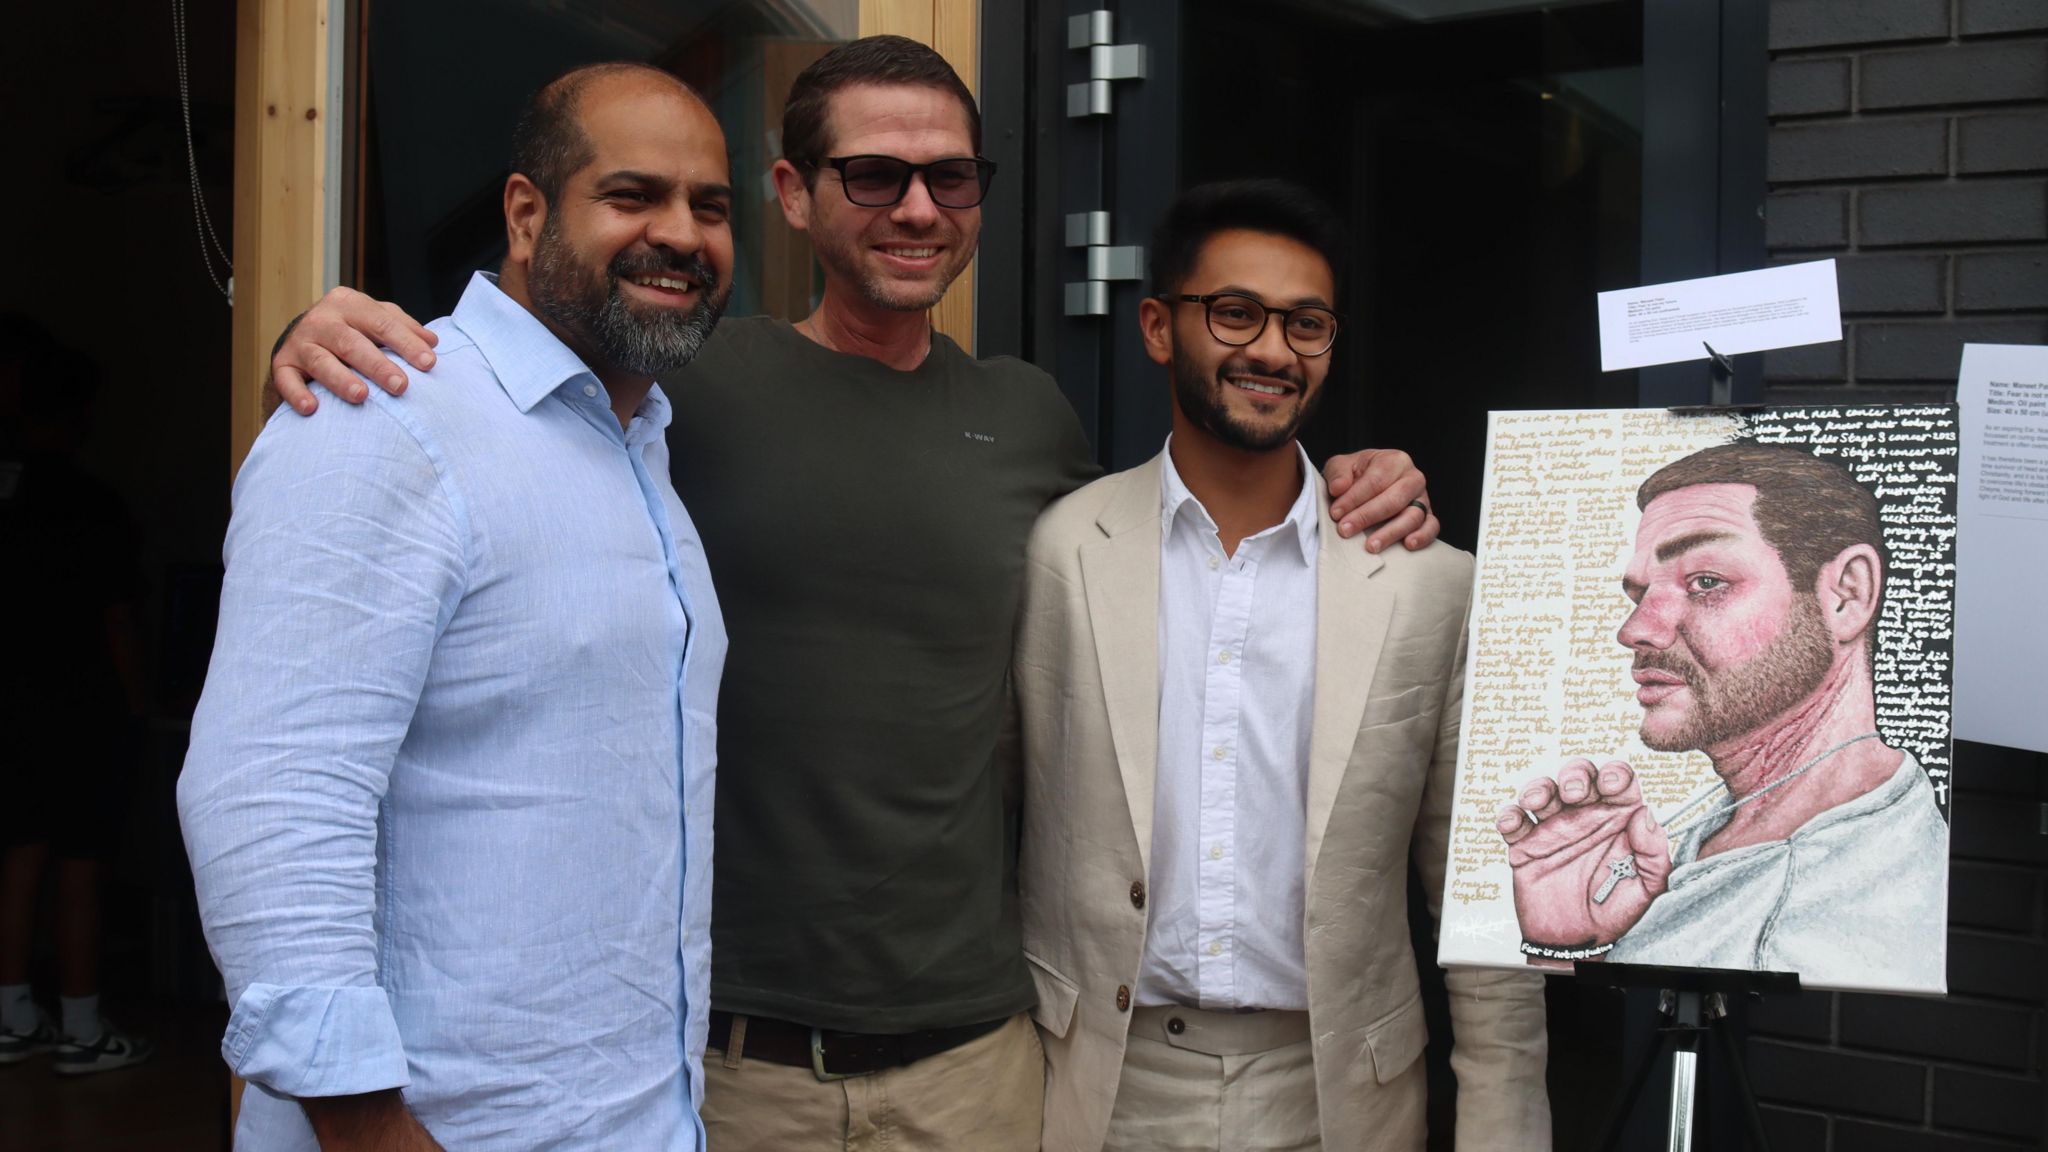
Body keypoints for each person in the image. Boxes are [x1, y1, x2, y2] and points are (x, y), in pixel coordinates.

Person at [267, 37, 1439, 1151]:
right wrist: (326, 331)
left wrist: (1351, 478)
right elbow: (512, 391)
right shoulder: (683, 383)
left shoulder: (1029, 419)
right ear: (790, 191)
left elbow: (1175, 555)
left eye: (949, 178)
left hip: (978, 1057)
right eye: (873, 175)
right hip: (732, 1060)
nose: (918, 209)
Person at [178, 64, 732, 1150]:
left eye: (708, 208)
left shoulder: (641, 449)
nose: (681, 233)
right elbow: (274, 793)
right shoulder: (381, 412)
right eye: (633, 196)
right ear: (525, 214)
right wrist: (365, 1124)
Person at [1013, 181, 1548, 1152]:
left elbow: (1481, 891)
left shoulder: (1423, 583)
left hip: (1339, 1096)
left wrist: (1501, 1123)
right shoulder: (1060, 552)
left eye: (1305, 323)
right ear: (1155, 327)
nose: (1270, 350)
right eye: (1233, 313)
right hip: (1100, 1089)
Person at [1497, 442, 1945, 989]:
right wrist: (1569, 944)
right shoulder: (1745, 821)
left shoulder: (1817, 917)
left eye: (1706, 582)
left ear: (1847, 596)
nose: (1636, 630)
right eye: (1639, 593)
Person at [0, 325, 153, 1074]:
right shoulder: (93, 504)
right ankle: (84, 1027)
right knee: (81, 863)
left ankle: (11, 1014)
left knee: (20, 855)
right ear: (83, 413)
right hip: (83, 706)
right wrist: (138, 708)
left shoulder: (10, 498)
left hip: (14, 703)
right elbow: (117, 617)